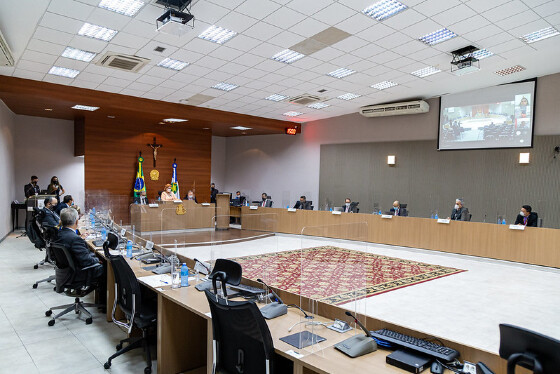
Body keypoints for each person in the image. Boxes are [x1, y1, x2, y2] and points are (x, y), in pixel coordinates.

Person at [57, 208, 104, 283]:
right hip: (78, 273)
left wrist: (79, 238)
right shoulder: (75, 239)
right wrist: (98, 259)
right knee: (105, 265)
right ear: (76, 221)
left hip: (65, 272)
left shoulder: (59, 234)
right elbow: (87, 261)